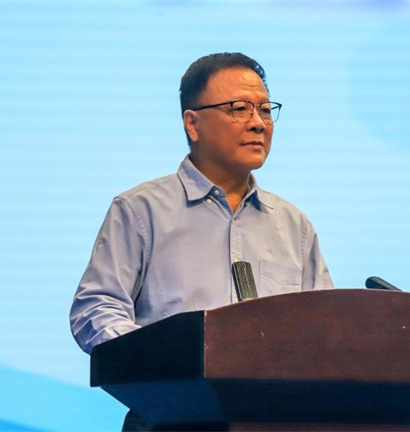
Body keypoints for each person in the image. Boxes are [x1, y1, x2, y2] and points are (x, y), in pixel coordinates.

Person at [70, 52, 333, 355]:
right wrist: (163, 357)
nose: (258, 123)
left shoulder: (294, 226)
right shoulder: (140, 211)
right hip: (171, 384)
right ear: (192, 123)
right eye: (240, 109)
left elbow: (325, 328)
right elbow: (96, 310)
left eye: (264, 110)